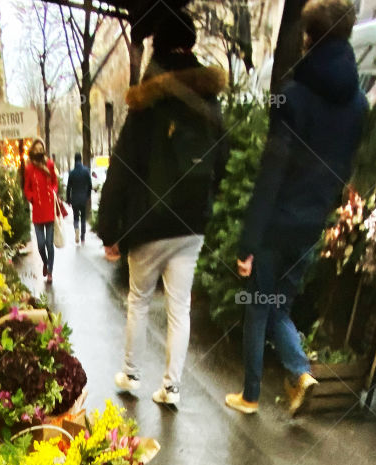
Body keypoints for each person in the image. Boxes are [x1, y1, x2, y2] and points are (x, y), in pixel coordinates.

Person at [225, 0, 367, 417]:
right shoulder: (358, 104)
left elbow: (272, 173)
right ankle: (297, 375)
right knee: (280, 306)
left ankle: (258, 391)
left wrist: (248, 242)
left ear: (309, 38)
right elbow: (346, 168)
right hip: (313, 222)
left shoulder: (292, 97)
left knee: (259, 307)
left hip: (278, 222)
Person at [98, 7, 227, 409]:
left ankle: (131, 374)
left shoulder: (147, 101)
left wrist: (109, 229)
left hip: (149, 222)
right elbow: (222, 161)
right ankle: (172, 387)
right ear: (190, 42)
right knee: (179, 307)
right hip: (192, 223)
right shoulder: (209, 101)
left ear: (158, 43)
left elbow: (122, 166)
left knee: (138, 299)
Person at [23, 139, 59, 282]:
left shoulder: (49, 164)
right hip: (38, 210)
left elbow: (55, 181)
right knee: (40, 244)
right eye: (36, 149)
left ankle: (50, 271)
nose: (39, 151)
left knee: (49, 243)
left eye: (41, 149)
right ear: (32, 151)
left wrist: (53, 191)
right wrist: (32, 198)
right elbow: (27, 188)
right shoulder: (29, 168)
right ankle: (45, 262)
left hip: (49, 208)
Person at [66, 152, 93, 245]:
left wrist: (68, 199)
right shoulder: (86, 171)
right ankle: (82, 236)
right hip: (83, 198)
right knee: (83, 217)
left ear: (74, 160)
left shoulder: (72, 173)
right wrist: (88, 195)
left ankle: (76, 228)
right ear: (81, 159)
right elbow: (90, 185)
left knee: (76, 217)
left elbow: (68, 187)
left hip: (75, 198)